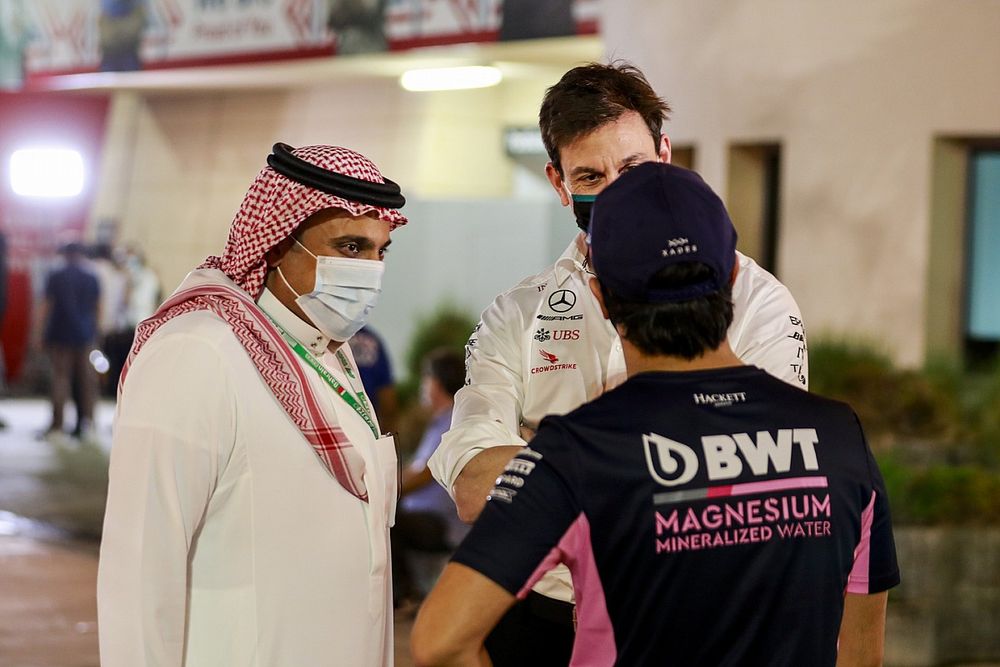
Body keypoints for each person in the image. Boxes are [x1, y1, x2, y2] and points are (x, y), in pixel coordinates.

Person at [412, 162, 899, 666]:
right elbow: (861, 652)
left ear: (600, 296)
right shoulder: (840, 436)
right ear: (733, 276)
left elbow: (441, 640)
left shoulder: (575, 453)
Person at [428, 61, 810, 664]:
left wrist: (545, 455)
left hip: (696, 617)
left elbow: (758, 475)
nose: (617, 191)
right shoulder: (515, 315)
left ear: (665, 154)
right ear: (558, 183)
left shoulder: (757, 300)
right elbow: (475, 488)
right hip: (543, 621)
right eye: (590, 175)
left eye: (632, 168)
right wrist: (663, 463)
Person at [97, 143, 408, 666]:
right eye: (351, 247)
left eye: (381, 250)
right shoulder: (198, 354)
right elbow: (140, 572)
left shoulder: (330, 358)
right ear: (278, 245)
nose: (370, 270)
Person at [392, 347, 470, 606]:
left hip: (443, 523)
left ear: (436, 383)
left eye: (426, 378)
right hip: (428, 517)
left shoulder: (451, 422)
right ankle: (406, 593)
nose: (422, 386)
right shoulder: (441, 421)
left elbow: (425, 473)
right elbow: (416, 470)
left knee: (388, 519)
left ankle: (404, 595)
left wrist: (384, 489)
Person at [37, 242, 101, 440]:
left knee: (60, 379)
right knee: (87, 381)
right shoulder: (92, 277)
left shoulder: (56, 275)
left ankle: (57, 426)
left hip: (60, 334)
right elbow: (98, 307)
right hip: (85, 335)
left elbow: (46, 306)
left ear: (65, 254)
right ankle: (88, 424)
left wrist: (38, 333)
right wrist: (96, 333)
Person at [349, 325, 400, 434]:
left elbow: (387, 394)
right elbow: (387, 396)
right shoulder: (372, 340)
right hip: (369, 423)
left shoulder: (324, 335)